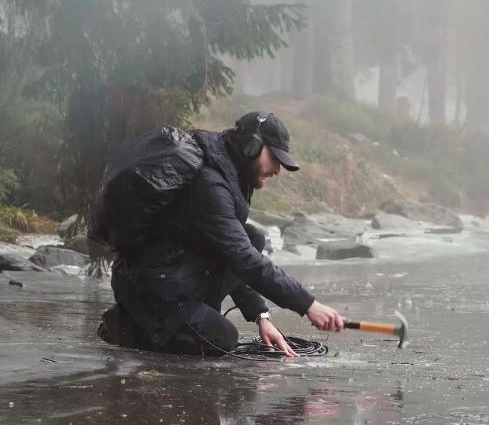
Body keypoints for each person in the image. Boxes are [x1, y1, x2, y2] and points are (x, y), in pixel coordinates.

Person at [98, 109, 344, 357]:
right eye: (275, 159)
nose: (278, 170)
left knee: (252, 236)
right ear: (251, 146)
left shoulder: (231, 172)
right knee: (223, 339)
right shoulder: (210, 182)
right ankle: (128, 327)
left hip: (172, 273)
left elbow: (234, 253)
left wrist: (261, 316)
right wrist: (307, 304)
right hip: (153, 286)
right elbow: (241, 258)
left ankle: (189, 317)